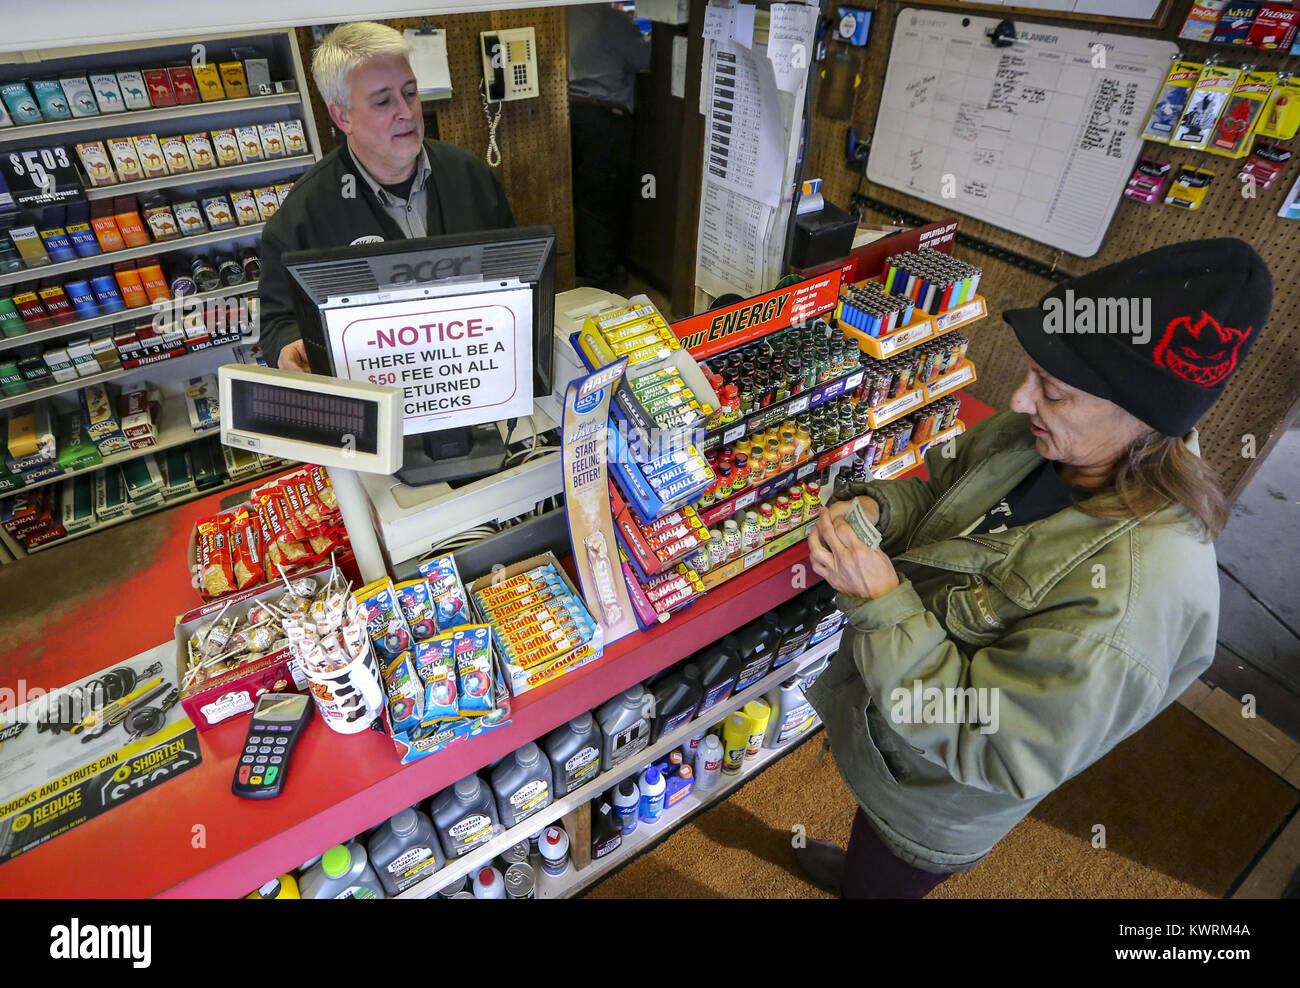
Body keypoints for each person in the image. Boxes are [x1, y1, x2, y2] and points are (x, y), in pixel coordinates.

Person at [798, 238, 1272, 898]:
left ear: (1144, 415)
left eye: (1051, 390)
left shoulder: (1137, 600)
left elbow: (994, 744)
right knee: (869, 843)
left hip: (934, 798)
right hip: (889, 739)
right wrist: (878, 505)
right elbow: (941, 492)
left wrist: (881, 604)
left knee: (886, 872)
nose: (1020, 402)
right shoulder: (1047, 440)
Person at [259, 21, 514, 373]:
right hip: (377, 392)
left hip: (473, 376)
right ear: (342, 116)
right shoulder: (302, 215)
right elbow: (277, 321)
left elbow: (512, 270)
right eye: (383, 101)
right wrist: (288, 346)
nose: (407, 112)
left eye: (410, 92)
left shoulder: (471, 176)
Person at [568, 3, 651, 292]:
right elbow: (646, 59)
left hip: (568, 114)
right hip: (604, 118)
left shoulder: (560, 12)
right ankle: (599, 281)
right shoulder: (613, 19)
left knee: (577, 198)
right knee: (600, 202)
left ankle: (579, 271)